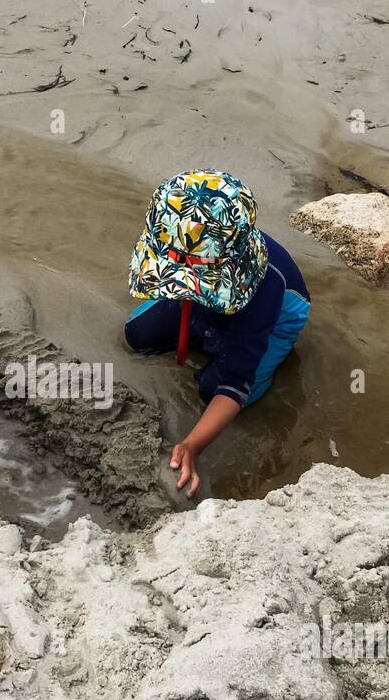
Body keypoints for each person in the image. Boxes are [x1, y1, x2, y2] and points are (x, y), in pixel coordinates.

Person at [125, 169, 310, 498]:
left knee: (216, 390)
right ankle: (208, 324)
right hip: (208, 288)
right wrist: (187, 291)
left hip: (276, 314)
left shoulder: (264, 288)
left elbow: (233, 385)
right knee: (138, 334)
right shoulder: (183, 241)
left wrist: (193, 444)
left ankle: (233, 342)